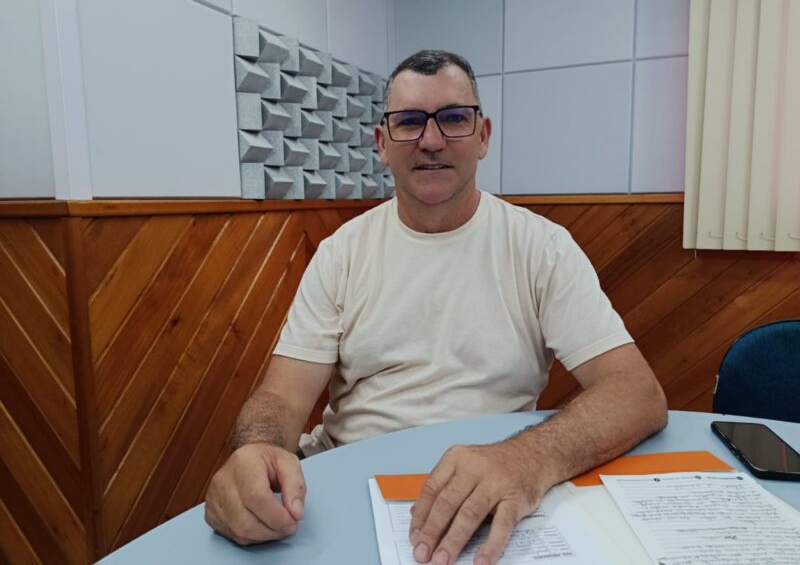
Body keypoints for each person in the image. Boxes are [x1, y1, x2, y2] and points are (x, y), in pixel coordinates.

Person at [205, 49, 668, 565]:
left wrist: (526, 459)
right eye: (408, 122)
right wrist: (254, 450)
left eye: (453, 118)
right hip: (348, 489)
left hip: (492, 491)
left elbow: (636, 394)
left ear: (483, 136)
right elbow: (281, 398)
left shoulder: (542, 248)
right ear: (382, 143)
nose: (430, 140)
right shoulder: (341, 254)